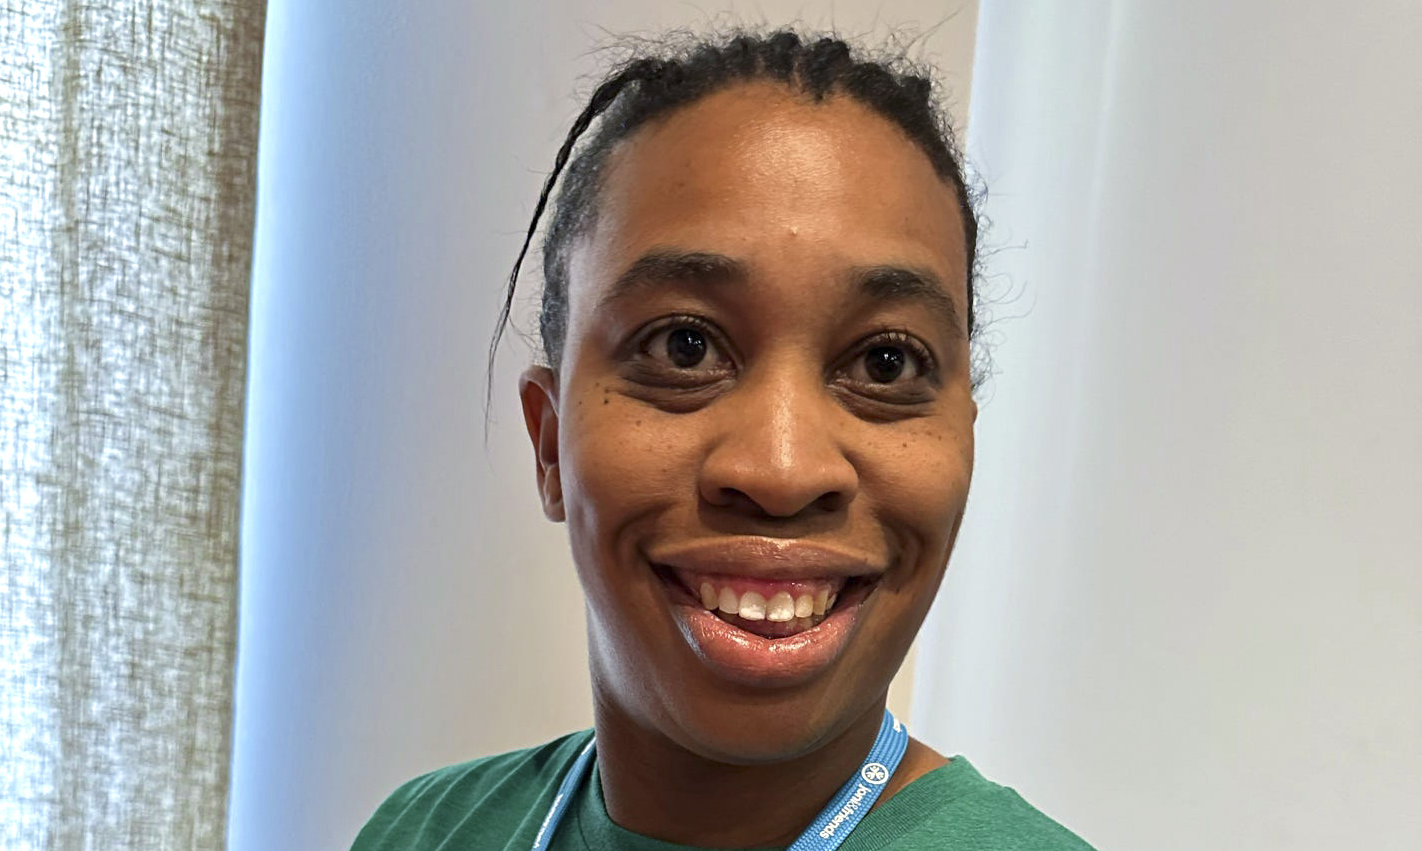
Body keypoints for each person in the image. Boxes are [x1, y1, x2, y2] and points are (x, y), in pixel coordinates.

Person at [352, 28, 1096, 850]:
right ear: (551, 444)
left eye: (886, 363)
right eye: (686, 347)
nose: (781, 469)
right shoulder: (423, 832)